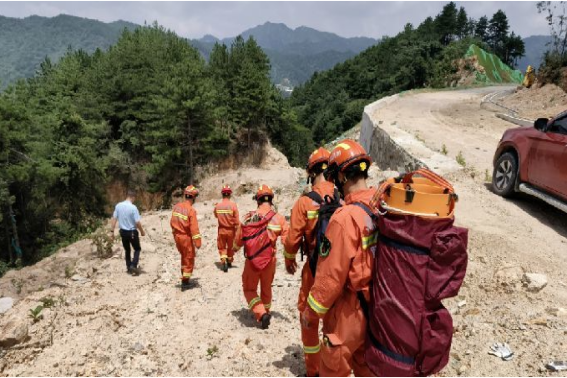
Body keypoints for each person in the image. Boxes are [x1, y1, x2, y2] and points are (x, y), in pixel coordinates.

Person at [301, 140, 378, 377]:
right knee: (366, 367)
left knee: (333, 369)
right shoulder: (382, 205)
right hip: (377, 308)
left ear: (341, 177)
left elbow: (330, 279)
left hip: (349, 314)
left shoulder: (343, 219)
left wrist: (310, 314)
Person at [283, 147, 335, 377]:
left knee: (308, 315)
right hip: (342, 267)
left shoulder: (305, 202)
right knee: (335, 317)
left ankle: (314, 370)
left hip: (316, 267)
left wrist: (289, 259)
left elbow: (292, 238)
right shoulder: (343, 194)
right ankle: (334, 366)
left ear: (311, 172)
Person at [234, 184, 289, 329]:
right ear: (271, 200)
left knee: (249, 289)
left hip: (252, 261)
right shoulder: (279, 218)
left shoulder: (249, 216)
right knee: (266, 288)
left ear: (257, 201)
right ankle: (266, 311)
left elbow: (239, 238)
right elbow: (287, 240)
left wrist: (233, 249)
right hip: (269, 261)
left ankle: (261, 313)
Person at [170, 185, 202, 291]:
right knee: (189, 258)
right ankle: (185, 281)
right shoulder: (191, 210)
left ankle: (183, 274)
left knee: (183, 255)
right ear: (193, 197)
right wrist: (198, 242)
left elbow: (172, 222)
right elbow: (194, 229)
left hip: (177, 236)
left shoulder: (177, 206)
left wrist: (175, 233)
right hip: (185, 237)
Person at [110, 189, 146, 275]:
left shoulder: (118, 206)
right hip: (132, 232)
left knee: (127, 250)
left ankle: (128, 267)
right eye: (134, 198)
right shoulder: (133, 207)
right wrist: (142, 231)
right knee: (137, 249)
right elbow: (137, 222)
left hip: (123, 232)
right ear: (133, 197)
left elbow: (114, 219)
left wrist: (112, 231)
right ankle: (133, 265)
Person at [213, 185, 240, 272]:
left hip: (221, 230)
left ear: (222, 194)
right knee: (231, 247)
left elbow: (216, 215)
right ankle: (229, 261)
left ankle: (223, 260)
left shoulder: (218, 206)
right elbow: (236, 220)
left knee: (222, 247)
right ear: (230, 194)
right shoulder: (233, 205)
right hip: (231, 230)